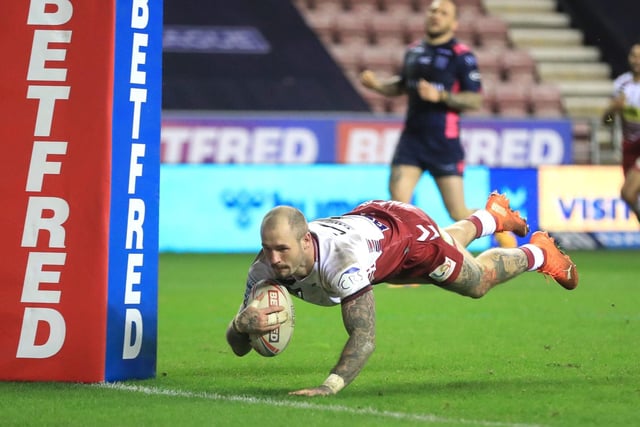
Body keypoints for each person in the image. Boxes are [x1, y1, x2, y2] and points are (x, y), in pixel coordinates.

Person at [225, 192, 578, 396]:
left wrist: (329, 387)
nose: (274, 259)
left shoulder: (341, 263)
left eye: (282, 249)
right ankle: (491, 215)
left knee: (477, 282)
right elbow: (239, 346)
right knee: (451, 242)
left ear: (305, 242)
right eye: (267, 248)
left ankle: (540, 253)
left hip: (410, 240)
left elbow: (364, 337)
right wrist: (241, 325)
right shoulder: (263, 269)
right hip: (373, 227)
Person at [358, 0, 516, 248]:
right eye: (433, 11)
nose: (436, 16)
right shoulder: (414, 51)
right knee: (399, 207)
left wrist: (441, 96)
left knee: (457, 211)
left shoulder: (461, 56)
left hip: (444, 142)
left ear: (454, 23)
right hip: (411, 140)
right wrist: (378, 85)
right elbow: (403, 84)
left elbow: (474, 99)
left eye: (443, 13)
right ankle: (406, 266)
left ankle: (498, 224)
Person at [602, 42, 640, 224]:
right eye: (634, 55)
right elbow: (607, 122)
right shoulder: (622, 84)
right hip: (629, 146)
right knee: (630, 197)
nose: (637, 60)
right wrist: (612, 111)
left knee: (628, 192)